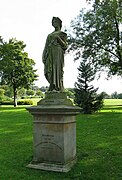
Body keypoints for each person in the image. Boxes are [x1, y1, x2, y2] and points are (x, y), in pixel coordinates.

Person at [42, 17, 67, 91]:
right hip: (50, 53)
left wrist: (58, 38)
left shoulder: (62, 34)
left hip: (58, 53)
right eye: (52, 22)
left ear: (59, 23)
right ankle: (51, 85)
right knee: (49, 70)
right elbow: (46, 46)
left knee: (56, 68)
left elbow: (65, 46)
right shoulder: (49, 35)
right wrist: (44, 55)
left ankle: (57, 86)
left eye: (55, 21)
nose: (53, 23)